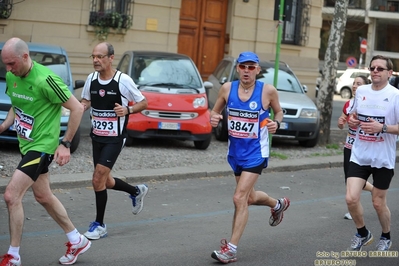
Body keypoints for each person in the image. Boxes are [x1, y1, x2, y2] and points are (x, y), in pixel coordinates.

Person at [0, 38, 91, 265]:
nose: (8, 69)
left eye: (12, 64)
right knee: (43, 196)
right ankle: (77, 239)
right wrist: (3, 126)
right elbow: (16, 103)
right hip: (27, 145)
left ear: (25, 57)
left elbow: (77, 108)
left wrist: (66, 143)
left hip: (42, 147)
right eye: (5, 65)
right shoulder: (13, 76)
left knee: (12, 196)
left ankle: (13, 255)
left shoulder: (46, 80)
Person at [209, 51, 290, 264]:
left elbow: (279, 112)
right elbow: (214, 111)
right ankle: (277, 204)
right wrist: (214, 119)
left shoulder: (267, 91)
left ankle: (231, 249)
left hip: (256, 153)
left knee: (239, 198)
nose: (247, 71)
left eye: (251, 67)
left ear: (257, 70)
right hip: (235, 153)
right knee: (250, 198)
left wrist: (276, 123)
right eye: (243, 67)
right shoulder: (228, 89)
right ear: (237, 68)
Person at [80, 42, 149, 240]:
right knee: (104, 180)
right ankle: (136, 191)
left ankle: (99, 225)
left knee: (97, 178)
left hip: (115, 138)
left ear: (111, 58)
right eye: (93, 56)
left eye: (100, 56)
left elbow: (143, 102)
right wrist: (79, 107)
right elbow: (85, 101)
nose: (95, 60)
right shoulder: (91, 79)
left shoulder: (123, 80)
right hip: (97, 137)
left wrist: (128, 110)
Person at [346, 55, 399, 251]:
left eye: (380, 68)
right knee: (351, 198)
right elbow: (354, 115)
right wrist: (352, 120)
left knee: (378, 202)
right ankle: (362, 233)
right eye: (372, 68)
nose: (375, 71)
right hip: (360, 154)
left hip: (383, 158)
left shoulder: (395, 95)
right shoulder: (361, 91)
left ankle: (386, 236)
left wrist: (382, 128)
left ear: (389, 73)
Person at [337, 75, 373, 220]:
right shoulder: (348, 104)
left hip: (363, 146)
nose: (354, 86)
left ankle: (354, 208)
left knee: (356, 178)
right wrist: (341, 122)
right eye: (354, 83)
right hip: (349, 146)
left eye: (358, 84)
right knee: (349, 178)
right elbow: (342, 122)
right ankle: (374, 190)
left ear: (365, 87)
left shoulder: (369, 104)